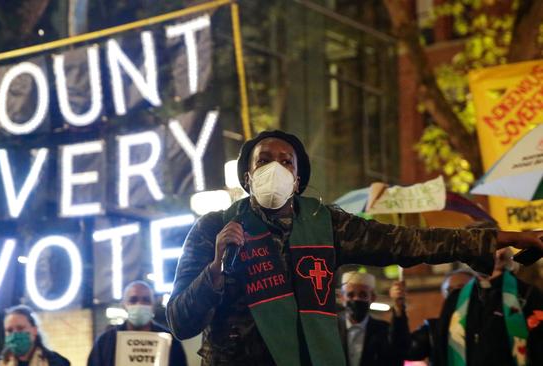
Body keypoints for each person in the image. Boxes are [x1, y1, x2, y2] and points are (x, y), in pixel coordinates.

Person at [165, 130, 543, 366]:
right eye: (264, 161)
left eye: (286, 162)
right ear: (248, 177)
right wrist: (214, 271)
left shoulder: (326, 225)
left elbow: (411, 242)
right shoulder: (214, 228)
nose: (275, 168)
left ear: (297, 181)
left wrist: (500, 237)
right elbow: (180, 322)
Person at [417, 248, 542, 366]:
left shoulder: (526, 294)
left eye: (490, 248)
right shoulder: (456, 299)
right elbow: (441, 346)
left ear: (502, 254)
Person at [87, 281, 187, 366]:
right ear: (124, 305)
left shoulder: (170, 341)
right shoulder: (105, 342)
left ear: (153, 305)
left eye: (146, 300)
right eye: (133, 300)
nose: (140, 304)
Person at [405, 268, 476, 365]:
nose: (454, 294)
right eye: (449, 290)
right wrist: (399, 312)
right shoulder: (433, 329)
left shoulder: (487, 321)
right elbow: (407, 350)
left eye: (461, 288)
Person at [337, 271, 409, 366]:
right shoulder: (330, 328)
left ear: (373, 297)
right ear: (342, 297)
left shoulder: (384, 330)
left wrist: (398, 306)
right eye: (350, 295)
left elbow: (399, 349)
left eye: (363, 295)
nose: (356, 299)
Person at [0, 304, 70, 366]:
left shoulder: (57, 362)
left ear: (34, 330)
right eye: (9, 330)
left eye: (20, 328)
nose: (14, 334)